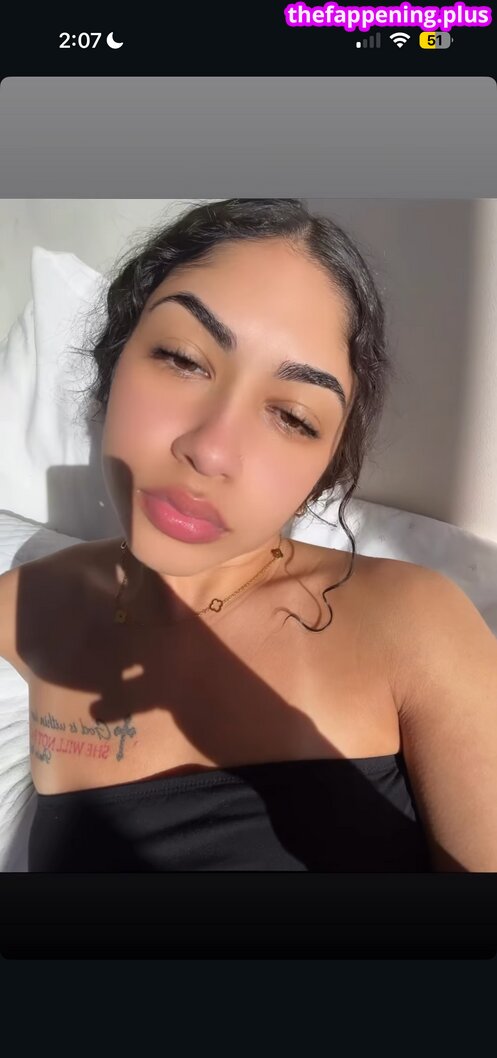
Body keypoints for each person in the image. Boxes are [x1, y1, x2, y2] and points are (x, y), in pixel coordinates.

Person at [2, 198, 496, 871]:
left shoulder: (416, 624)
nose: (210, 451)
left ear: (326, 467)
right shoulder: (30, 604)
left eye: (292, 418)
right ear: (114, 361)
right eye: (182, 359)